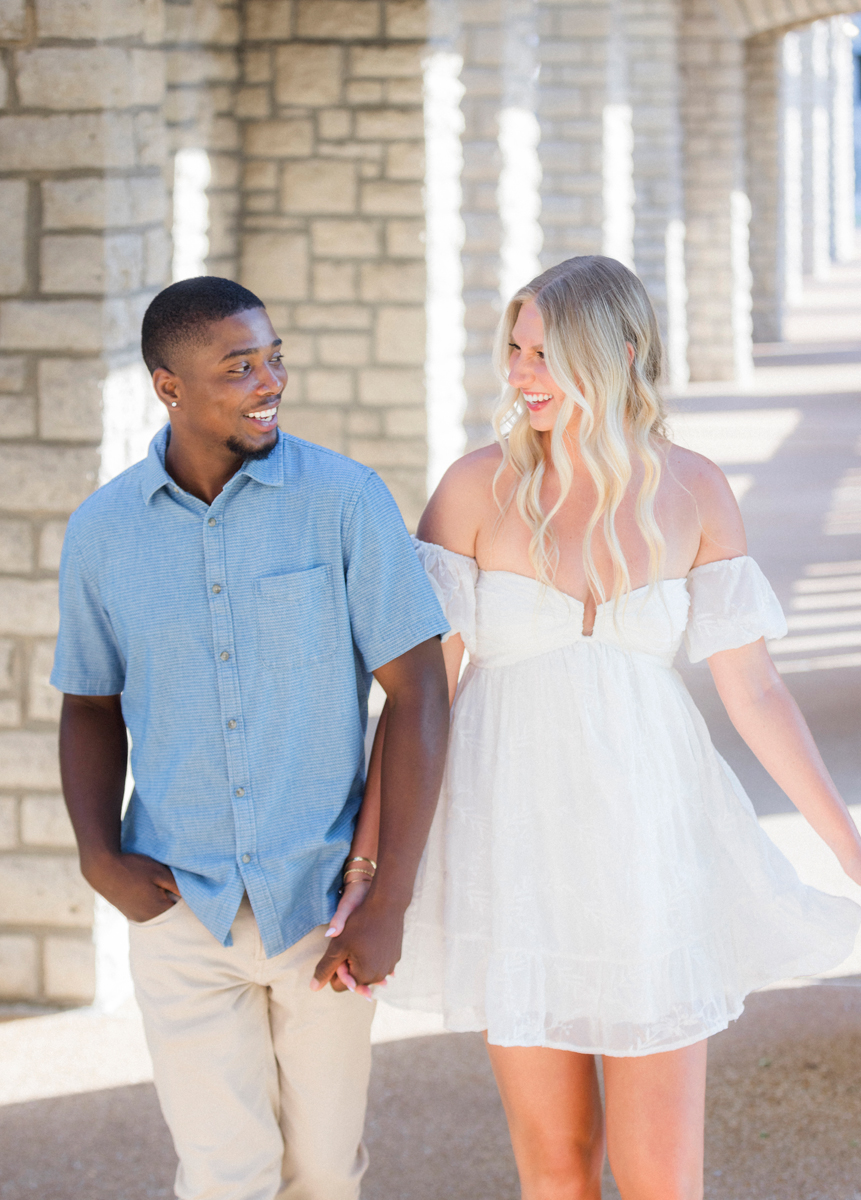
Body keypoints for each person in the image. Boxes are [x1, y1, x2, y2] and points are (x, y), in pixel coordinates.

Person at [369, 256, 861, 1199]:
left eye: (546, 354)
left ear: (619, 354)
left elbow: (757, 691)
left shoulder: (695, 490)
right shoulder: (471, 490)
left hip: (651, 848)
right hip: (514, 851)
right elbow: (422, 699)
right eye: (517, 350)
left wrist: (851, 850)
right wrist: (372, 862)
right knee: (558, 1171)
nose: (521, 374)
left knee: (660, 1176)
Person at [51, 276, 450, 1200]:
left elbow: (420, 694)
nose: (270, 380)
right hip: (177, 904)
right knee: (225, 1173)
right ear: (169, 387)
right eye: (240, 367)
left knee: (320, 1169)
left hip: (322, 908)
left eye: (274, 358)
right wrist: (96, 856)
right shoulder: (104, 532)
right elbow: (88, 706)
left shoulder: (344, 501)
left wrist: (387, 898)